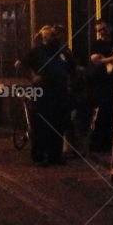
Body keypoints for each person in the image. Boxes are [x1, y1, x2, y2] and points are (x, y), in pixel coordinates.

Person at [19, 24, 76, 166]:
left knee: (58, 123)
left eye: (56, 35)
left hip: (60, 93)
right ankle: (40, 156)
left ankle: (55, 155)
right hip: (42, 94)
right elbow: (20, 65)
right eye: (52, 35)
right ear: (44, 37)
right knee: (41, 125)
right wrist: (33, 77)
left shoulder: (63, 52)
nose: (56, 37)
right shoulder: (37, 52)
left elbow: (72, 68)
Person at [88, 18, 113, 151]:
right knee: (102, 111)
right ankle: (99, 143)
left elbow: (101, 59)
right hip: (101, 82)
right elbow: (96, 60)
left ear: (110, 28)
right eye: (99, 30)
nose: (102, 32)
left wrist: (105, 59)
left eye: (104, 29)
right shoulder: (97, 44)